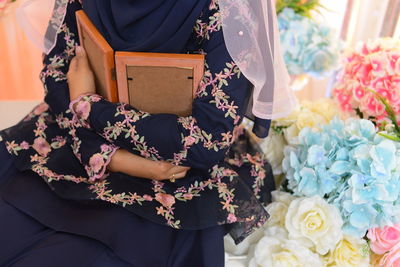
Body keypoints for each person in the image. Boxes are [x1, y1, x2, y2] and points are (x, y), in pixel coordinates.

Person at [0, 0, 294, 266]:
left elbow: (205, 140)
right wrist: (108, 156)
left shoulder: (226, 9)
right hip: (75, 140)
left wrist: (89, 106)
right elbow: (57, 72)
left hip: (173, 173)